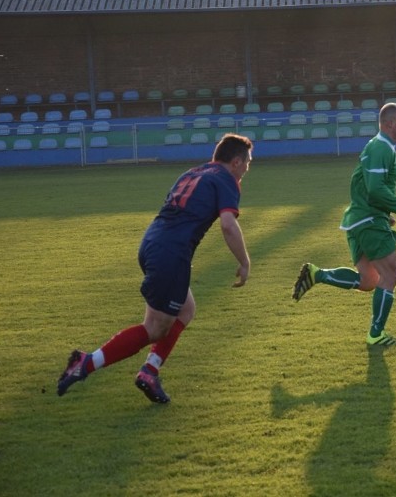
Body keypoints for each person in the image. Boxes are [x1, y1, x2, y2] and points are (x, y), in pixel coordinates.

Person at [57, 133, 254, 403]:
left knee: (186, 309)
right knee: (155, 328)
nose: (247, 169)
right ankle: (86, 363)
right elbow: (228, 225)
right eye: (247, 163)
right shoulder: (227, 179)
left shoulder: (193, 172)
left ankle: (150, 371)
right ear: (235, 162)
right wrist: (244, 262)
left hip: (152, 243)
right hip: (171, 254)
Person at [292, 102, 396, 347]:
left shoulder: (379, 147)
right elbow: (375, 188)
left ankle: (318, 274)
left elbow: (364, 185)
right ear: (390, 124)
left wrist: (384, 212)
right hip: (368, 220)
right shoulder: (381, 148)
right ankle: (376, 335)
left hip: (360, 219)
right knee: (390, 275)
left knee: (368, 280)